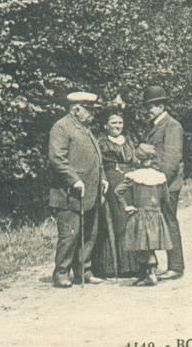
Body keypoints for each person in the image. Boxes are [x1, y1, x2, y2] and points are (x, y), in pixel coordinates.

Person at [48, 91, 108, 288]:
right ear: (76, 109)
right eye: (88, 110)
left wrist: (104, 179)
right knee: (70, 234)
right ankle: (61, 273)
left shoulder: (84, 128)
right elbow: (57, 158)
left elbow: (96, 158)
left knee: (89, 232)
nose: (92, 114)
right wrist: (73, 180)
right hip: (69, 193)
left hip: (90, 191)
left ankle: (84, 270)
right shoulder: (61, 127)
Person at [92, 111, 142, 279]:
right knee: (117, 219)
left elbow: (136, 159)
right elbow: (98, 165)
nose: (117, 126)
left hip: (130, 181)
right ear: (106, 125)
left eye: (120, 122)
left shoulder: (129, 140)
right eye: (113, 123)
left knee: (131, 218)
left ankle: (134, 265)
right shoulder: (101, 142)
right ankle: (114, 266)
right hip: (113, 182)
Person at [115, 144, 174, 286]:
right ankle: (146, 274)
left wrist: (126, 206)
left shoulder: (134, 176)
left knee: (141, 245)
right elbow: (166, 198)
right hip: (155, 214)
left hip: (140, 214)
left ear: (139, 159)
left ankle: (150, 274)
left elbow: (118, 191)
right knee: (150, 245)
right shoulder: (160, 177)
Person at [143, 85, 185, 281]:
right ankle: (165, 266)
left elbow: (171, 160)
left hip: (167, 184)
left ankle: (176, 266)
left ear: (161, 106)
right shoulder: (156, 125)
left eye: (151, 106)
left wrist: (159, 182)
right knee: (163, 222)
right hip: (157, 183)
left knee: (169, 222)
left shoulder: (172, 126)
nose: (148, 110)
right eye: (148, 106)